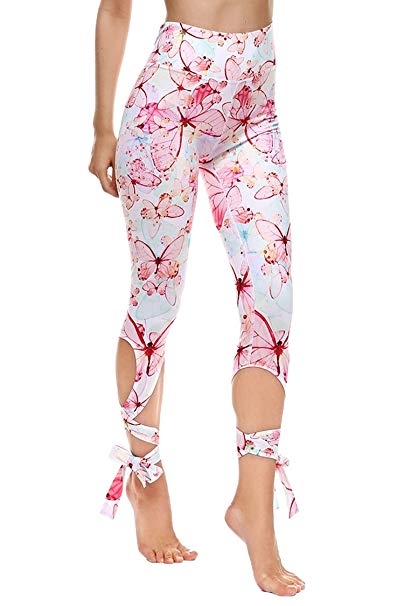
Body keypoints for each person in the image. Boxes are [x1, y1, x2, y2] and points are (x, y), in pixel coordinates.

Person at [89, 0, 305, 595]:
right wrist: (102, 127)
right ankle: (146, 476)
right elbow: (115, 8)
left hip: (254, 103)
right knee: (155, 303)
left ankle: (253, 507)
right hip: (169, 104)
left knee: (272, 305)